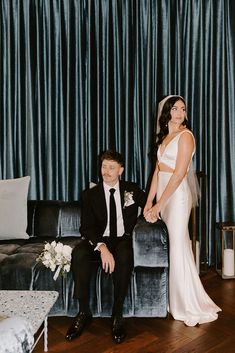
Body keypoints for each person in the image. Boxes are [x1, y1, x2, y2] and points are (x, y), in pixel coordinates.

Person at [144, 95, 221, 327]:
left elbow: (178, 175)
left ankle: (186, 304)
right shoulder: (164, 138)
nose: (179, 113)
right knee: (174, 247)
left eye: (183, 109)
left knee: (178, 246)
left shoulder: (186, 136)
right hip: (162, 196)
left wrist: (160, 204)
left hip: (176, 198)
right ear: (166, 112)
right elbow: (157, 172)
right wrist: (149, 202)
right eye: (175, 108)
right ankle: (176, 299)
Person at [65, 150, 146, 343]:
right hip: (99, 240)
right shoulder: (89, 195)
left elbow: (149, 205)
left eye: (111, 167)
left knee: (126, 254)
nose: (106, 171)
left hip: (122, 239)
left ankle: (117, 314)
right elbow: (86, 228)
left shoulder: (132, 189)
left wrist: (153, 212)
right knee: (79, 254)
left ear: (121, 170)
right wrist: (102, 248)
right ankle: (84, 312)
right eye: (104, 166)